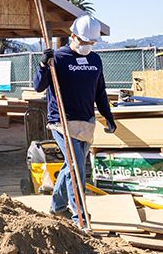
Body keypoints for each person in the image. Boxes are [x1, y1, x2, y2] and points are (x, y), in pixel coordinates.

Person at [32, 14, 117, 227]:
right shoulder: (58, 59)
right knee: (77, 168)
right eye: (83, 41)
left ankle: (56, 206)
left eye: (91, 42)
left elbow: (100, 91)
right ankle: (79, 215)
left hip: (85, 121)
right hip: (62, 122)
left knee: (70, 167)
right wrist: (43, 65)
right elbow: (38, 87)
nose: (87, 46)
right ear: (72, 36)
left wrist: (108, 116)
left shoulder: (95, 60)